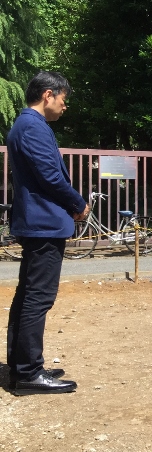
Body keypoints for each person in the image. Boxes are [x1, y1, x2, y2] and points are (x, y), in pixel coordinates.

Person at [6, 71, 90, 395]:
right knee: (37, 298)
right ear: (48, 95)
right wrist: (78, 204)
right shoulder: (33, 127)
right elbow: (51, 178)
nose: (64, 107)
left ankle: (20, 367)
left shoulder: (25, 125)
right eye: (63, 100)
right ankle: (29, 372)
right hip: (43, 223)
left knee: (27, 296)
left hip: (37, 221)